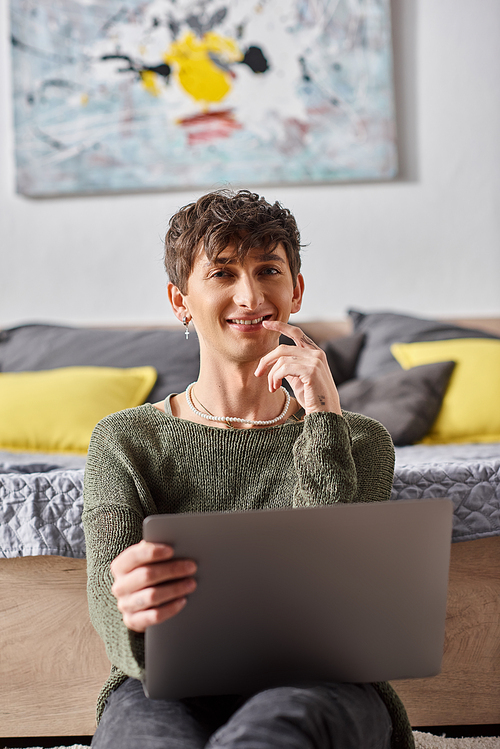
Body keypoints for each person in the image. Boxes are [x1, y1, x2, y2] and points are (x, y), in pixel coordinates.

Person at [83, 189, 414, 749]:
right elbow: (109, 605)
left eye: (268, 270)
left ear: (296, 289)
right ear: (179, 301)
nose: (251, 294)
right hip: (160, 682)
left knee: (274, 732)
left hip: (323, 681)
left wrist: (323, 421)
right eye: (221, 273)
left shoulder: (360, 440)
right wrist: (134, 610)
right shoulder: (124, 440)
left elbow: (334, 603)